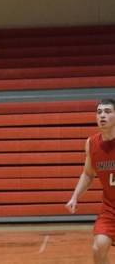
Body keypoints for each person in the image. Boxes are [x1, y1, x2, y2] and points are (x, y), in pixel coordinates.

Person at [66, 98, 115, 264]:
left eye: (108, 111)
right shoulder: (92, 143)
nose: (102, 115)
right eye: (99, 112)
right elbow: (88, 174)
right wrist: (75, 196)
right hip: (110, 208)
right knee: (98, 248)